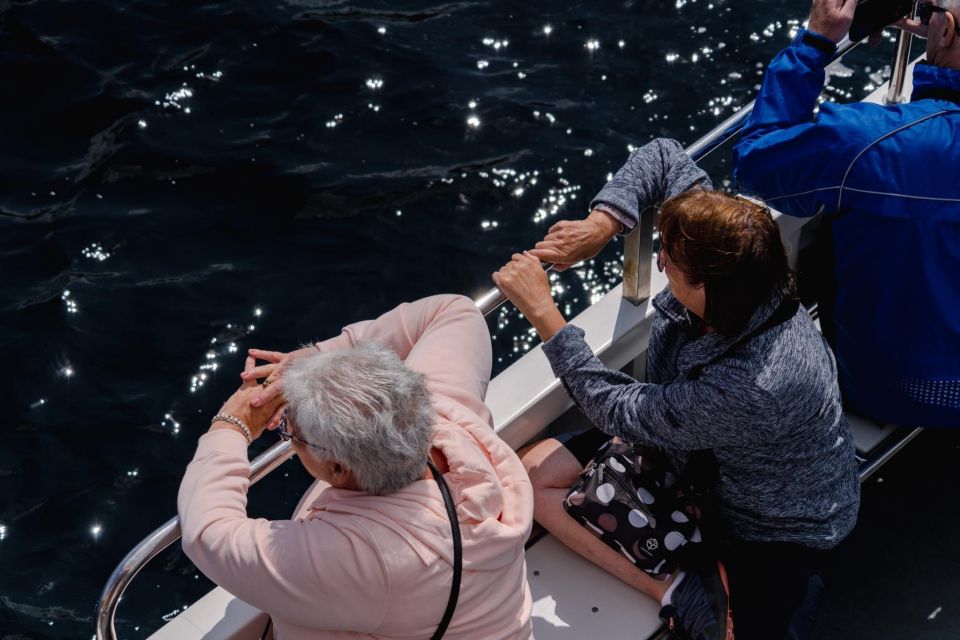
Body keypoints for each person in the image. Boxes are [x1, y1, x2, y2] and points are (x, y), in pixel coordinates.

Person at [493, 140, 860, 640]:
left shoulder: (756, 386)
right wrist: (603, 224)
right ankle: (677, 580)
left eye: (669, 256)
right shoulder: (739, 262)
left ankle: (675, 585)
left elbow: (614, 406)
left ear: (710, 287)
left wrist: (544, 314)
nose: (660, 259)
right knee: (531, 476)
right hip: (693, 448)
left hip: (778, 529)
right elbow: (663, 155)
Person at [177, 294, 534, 639]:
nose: (286, 429)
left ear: (337, 469)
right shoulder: (448, 419)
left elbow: (208, 534)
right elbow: (453, 310)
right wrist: (316, 360)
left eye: (291, 429)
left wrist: (232, 425)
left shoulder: (364, 561)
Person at [733, 0, 960, 428]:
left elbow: (756, 163)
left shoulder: (869, 144)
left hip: (889, 392)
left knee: (832, 211)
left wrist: (814, 43)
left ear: (945, 30)